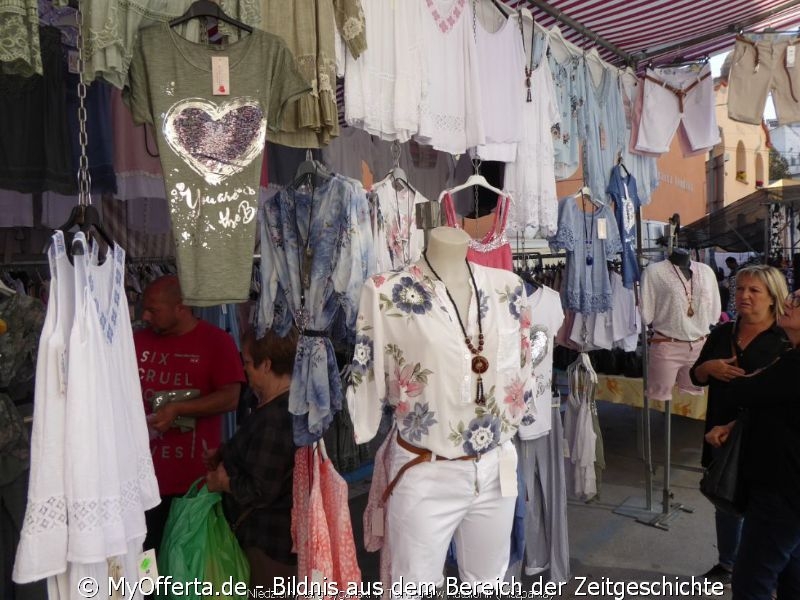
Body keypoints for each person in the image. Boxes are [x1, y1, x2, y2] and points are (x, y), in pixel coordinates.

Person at [690, 265, 789, 586]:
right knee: (726, 497)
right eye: (740, 289)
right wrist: (709, 367)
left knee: (765, 509)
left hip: (765, 437)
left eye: (754, 291)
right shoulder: (723, 333)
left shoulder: (786, 339)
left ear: (773, 298)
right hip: (720, 433)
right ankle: (728, 563)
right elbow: (695, 375)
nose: (744, 296)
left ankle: (767, 570)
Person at [135, 275, 245, 553]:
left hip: (191, 486)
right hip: (139, 484)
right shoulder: (135, 340)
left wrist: (179, 409)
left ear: (180, 306)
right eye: (144, 309)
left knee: (184, 570)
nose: (146, 316)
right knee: (145, 564)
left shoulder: (216, 342)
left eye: (153, 310)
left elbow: (231, 398)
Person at [705, 287, 800, 599]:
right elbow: (777, 404)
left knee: (752, 579)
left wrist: (733, 375)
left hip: (782, 486)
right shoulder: (725, 333)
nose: (789, 302)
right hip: (779, 480)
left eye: (797, 300)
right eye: (740, 288)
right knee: (789, 569)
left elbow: (745, 392)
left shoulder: (790, 360)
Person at [205, 328, 298, 587]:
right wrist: (226, 453)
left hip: (267, 544)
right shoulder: (279, 406)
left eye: (247, 362)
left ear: (266, 364)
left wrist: (224, 483)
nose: (243, 369)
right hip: (268, 541)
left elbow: (261, 489)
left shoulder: (276, 418)